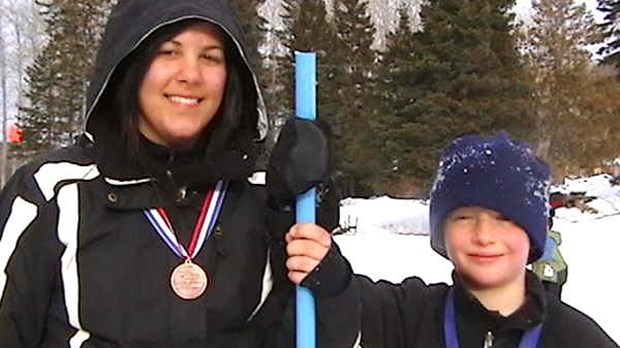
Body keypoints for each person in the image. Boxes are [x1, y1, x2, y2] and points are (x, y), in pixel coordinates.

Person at [0, 0, 336, 346]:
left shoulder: (263, 197)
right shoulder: (52, 193)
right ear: (129, 63)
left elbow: (312, 331)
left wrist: (323, 265)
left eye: (210, 57)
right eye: (168, 52)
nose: (190, 75)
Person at [285, 132, 619, 347]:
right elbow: (344, 300)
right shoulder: (408, 316)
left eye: (505, 219)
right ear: (442, 230)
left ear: (534, 233)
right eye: (464, 217)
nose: (484, 236)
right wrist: (326, 269)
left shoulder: (578, 339)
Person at [532, 208, 568, 299]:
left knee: (549, 300)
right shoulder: (544, 237)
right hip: (552, 271)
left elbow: (544, 255)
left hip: (551, 272)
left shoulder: (546, 239)